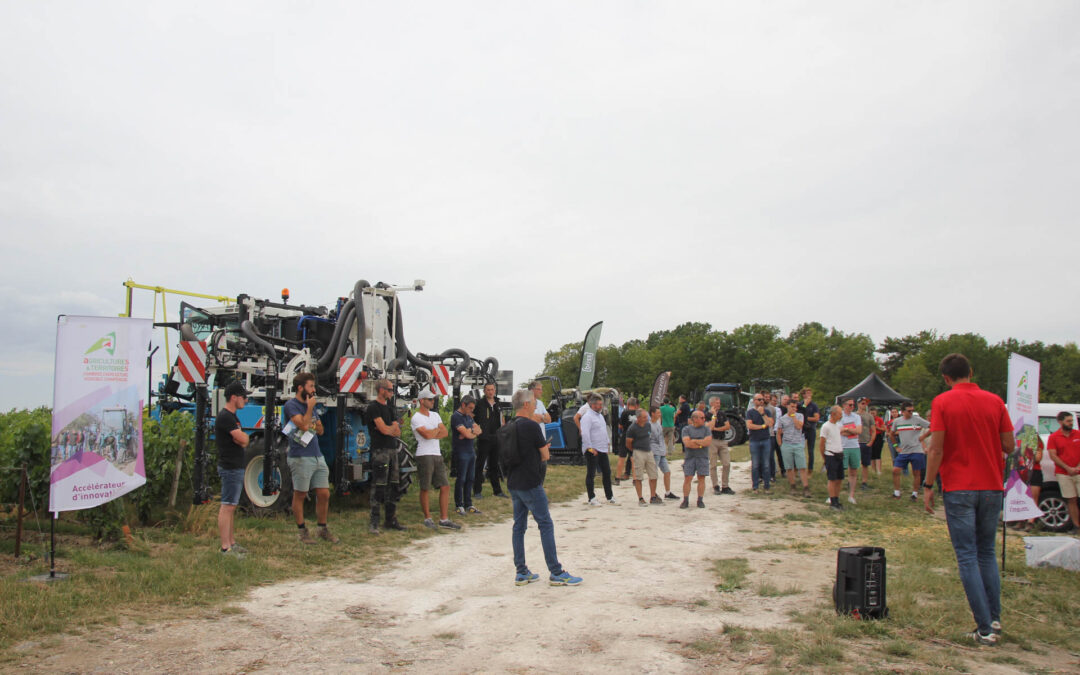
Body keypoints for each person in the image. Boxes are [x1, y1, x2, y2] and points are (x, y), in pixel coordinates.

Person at [922, 353, 1013, 645]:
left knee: (967, 555)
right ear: (971, 372)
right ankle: (994, 619)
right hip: (991, 486)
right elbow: (1009, 444)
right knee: (987, 552)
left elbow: (936, 449)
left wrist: (927, 484)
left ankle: (984, 628)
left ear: (946, 378)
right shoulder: (995, 401)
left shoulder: (943, 402)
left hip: (959, 487)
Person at [505, 388, 582, 586]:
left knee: (518, 526)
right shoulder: (530, 426)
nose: (534, 405)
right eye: (532, 402)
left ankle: (521, 571)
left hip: (514, 482)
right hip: (531, 481)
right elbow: (545, 456)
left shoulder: (508, 426)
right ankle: (556, 571)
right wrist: (544, 449)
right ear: (526, 405)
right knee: (545, 524)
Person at [284, 373, 338, 544]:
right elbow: (303, 425)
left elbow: (319, 429)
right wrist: (309, 411)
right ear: (300, 388)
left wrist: (312, 421)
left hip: (316, 454)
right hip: (300, 456)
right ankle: (302, 531)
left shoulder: (312, 407)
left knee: (324, 493)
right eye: (311, 386)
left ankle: (322, 528)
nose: (314, 390)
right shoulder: (291, 405)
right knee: (300, 494)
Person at [411, 388, 461, 531]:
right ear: (422, 401)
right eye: (430, 399)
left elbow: (444, 432)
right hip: (424, 454)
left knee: (445, 486)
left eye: (433, 399)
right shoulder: (416, 418)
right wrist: (434, 432)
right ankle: (428, 517)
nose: (433, 401)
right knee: (425, 487)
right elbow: (426, 435)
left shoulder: (435, 415)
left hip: (436, 453)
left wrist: (432, 432)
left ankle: (444, 519)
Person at [367, 379, 406, 534]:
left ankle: (390, 519)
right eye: (389, 390)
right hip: (380, 451)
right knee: (379, 486)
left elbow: (397, 431)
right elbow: (384, 430)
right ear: (381, 390)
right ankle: (374, 522)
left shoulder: (389, 408)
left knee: (394, 484)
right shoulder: (373, 408)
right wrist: (390, 428)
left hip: (392, 450)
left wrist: (390, 428)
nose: (391, 392)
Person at [215, 382, 250, 556]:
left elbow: (243, 439)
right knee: (227, 506)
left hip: (235, 466)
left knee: (231, 506)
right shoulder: (226, 417)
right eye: (243, 397)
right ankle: (225, 547)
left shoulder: (233, 417)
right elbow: (242, 439)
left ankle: (232, 543)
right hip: (230, 466)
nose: (246, 400)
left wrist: (242, 438)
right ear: (234, 397)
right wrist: (242, 438)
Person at [473, 382, 508, 500]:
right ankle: (477, 491)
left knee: (494, 464)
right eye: (488, 390)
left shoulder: (498, 403)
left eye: (492, 389)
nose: (490, 392)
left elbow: (501, 417)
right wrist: (477, 430)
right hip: (484, 438)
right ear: (484, 391)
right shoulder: (479, 404)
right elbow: (473, 418)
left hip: (496, 438)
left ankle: (497, 491)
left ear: (495, 390)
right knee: (480, 464)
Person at [1047, 411, 1080, 531]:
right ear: (1060, 422)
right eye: (1068, 421)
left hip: (1078, 471)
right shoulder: (1054, 437)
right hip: (1063, 473)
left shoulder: (1078, 434)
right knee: (1071, 499)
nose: (1071, 423)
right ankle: (1076, 526)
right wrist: (1068, 468)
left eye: (1072, 421)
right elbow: (1053, 455)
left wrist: (1077, 467)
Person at [890, 403, 930, 500]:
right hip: (904, 451)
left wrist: (923, 437)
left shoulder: (918, 419)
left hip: (916, 450)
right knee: (895, 470)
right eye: (909, 411)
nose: (911, 412)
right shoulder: (897, 421)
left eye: (912, 410)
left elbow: (932, 426)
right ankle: (896, 493)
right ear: (903, 412)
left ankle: (914, 494)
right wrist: (896, 446)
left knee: (916, 472)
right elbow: (891, 434)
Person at [580, 393, 615, 506]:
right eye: (599, 404)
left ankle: (609, 496)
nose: (601, 406)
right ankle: (592, 498)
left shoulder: (599, 416)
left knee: (607, 472)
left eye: (601, 404)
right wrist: (589, 447)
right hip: (592, 449)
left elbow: (603, 430)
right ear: (593, 405)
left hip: (602, 448)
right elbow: (585, 433)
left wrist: (607, 443)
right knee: (591, 473)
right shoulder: (587, 417)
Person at [451, 395, 483, 515]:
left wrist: (470, 432)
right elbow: (467, 433)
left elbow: (479, 430)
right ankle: (459, 504)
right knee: (461, 479)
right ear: (463, 405)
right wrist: (470, 433)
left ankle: (468, 503)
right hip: (461, 451)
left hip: (470, 451)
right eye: (469, 408)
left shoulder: (469, 416)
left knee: (470, 478)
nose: (471, 410)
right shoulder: (456, 417)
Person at [626, 408, 660, 506]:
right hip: (638, 451)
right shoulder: (632, 428)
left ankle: (653, 496)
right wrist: (634, 451)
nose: (646, 419)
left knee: (653, 475)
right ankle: (640, 498)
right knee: (639, 476)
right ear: (638, 418)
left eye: (647, 417)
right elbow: (628, 443)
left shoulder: (648, 425)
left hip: (648, 451)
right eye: (644, 417)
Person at [778, 398, 809, 497]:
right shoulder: (782, 419)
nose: (793, 409)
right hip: (787, 444)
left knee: (802, 467)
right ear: (787, 406)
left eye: (795, 407)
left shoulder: (800, 416)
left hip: (798, 443)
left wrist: (794, 417)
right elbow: (779, 433)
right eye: (792, 407)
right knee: (789, 467)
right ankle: (793, 486)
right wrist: (781, 445)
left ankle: (806, 487)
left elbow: (799, 426)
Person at [680, 410, 711, 508]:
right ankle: (685, 500)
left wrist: (695, 441)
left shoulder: (706, 429)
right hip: (690, 458)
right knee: (688, 478)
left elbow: (708, 442)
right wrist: (701, 443)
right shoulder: (686, 429)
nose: (704, 419)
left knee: (701, 478)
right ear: (695, 419)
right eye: (702, 418)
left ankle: (700, 500)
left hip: (702, 457)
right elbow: (687, 443)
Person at [746, 393, 774, 493]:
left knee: (766, 464)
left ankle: (767, 487)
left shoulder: (767, 411)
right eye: (759, 399)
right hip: (754, 441)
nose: (761, 401)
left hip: (766, 440)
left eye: (762, 399)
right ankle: (755, 487)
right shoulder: (750, 412)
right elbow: (750, 426)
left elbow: (770, 424)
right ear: (754, 401)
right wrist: (762, 426)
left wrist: (763, 414)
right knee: (755, 465)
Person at [819, 405, 845, 510]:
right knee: (832, 479)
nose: (841, 415)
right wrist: (824, 457)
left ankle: (837, 499)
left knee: (839, 478)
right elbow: (822, 444)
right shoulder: (826, 426)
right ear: (833, 414)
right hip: (831, 455)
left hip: (839, 454)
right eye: (839, 413)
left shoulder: (837, 426)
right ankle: (832, 501)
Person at [708, 397, 734, 495]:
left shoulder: (722, 414)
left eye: (719, 403)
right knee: (713, 464)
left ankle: (725, 485)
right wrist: (714, 416)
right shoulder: (707, 414)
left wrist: (717, 429)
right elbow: (710, 427)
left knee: (726, 463)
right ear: (712, 404)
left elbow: (727, 426)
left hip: (722, 440)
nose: (719, 404)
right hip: (712, 441)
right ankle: (715, 485)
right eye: (717, 403)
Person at [839, 398, 862, 504]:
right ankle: (835, 494)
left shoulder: (856, 417)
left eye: (853, 405)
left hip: (854, 446)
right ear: (844, 405)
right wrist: (851, 430)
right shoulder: (839, 416)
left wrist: (847, 429)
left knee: (853, 471)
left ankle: (851, 495)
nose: (852, 407)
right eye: (850, 405)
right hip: (843, 446)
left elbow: (859, 431)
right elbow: (840, 431)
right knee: (839, 471)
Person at [650, 406, 677, 499]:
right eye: (658, 413)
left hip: (661, 452)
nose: (660, 414)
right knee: (654, 474)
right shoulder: (649, 425)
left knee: (667, 472)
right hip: (654, 452)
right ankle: (653, 494)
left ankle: (668, 492)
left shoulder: (658, 423)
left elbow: (661, 437)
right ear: (652, 413)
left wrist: (664, 449)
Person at [529, 381, 552, 484]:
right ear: (532, 390)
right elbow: (531, 418)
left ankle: (539, 489)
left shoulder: (540, 403)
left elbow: (549, 419)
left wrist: (541, 417)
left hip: (542, 440)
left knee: (543, 466)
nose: (541, 391)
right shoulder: (526, 403)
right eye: (539, 389)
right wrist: (543, 417)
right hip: (531, 441)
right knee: (533, 468)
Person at [616, 397, 640, 483]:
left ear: (628, 404)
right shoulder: (639, 413)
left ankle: (617, 478)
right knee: (633, 458)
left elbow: (620, 426)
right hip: (636, 437)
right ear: (636, 404)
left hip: (625, 436)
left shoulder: (624, 413)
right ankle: (635, 479)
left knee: (622, 457)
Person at [798, 388, 820, 473]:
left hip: (811, 429)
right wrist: (804, 406)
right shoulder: (800, 404)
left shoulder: (814, 405)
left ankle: (810, 469)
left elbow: (816, 418)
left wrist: (805, 418)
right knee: (800, 449)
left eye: (810, 393)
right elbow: (799, 414)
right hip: (802, 430)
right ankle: (800, 468)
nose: (809, 395)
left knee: (811, 450)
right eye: (807, 393)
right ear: (803, 395)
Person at [856, 397, 876, 490]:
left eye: (865, 403)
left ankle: (864, 482)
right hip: (855, 442)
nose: (864, 405)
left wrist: (871, 441)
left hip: (865, 442)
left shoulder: (869, 416)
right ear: (858, 404)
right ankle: (852, 481)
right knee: (853, 464)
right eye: (862, 403)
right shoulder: (854, 415)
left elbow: (873, 430)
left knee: (865, 464)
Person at [872, 408, 887, 475]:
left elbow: (884, 429)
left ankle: (879, 470)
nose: (872, 415)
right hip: (870, 436)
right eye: (871, 413)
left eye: (874, 413)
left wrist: (877, 427)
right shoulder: (868, 419)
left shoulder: (879, 419)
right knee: (871, 455)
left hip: (878, 436)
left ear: (876, 413)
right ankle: (873, 470)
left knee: (877, 454)